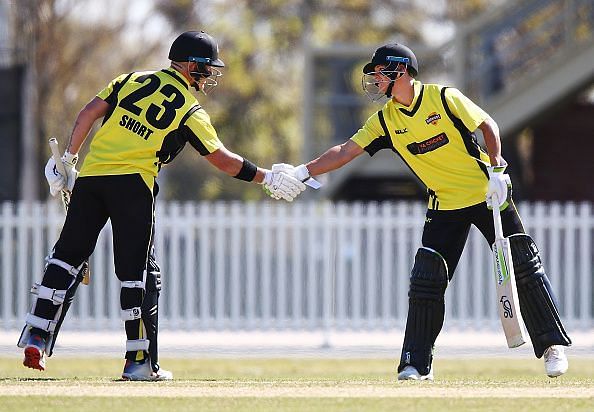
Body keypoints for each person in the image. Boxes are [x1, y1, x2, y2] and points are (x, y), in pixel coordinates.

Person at [18, 30, 306, 381]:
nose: (209, 76)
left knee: (66, 256)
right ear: (190, 65)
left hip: (92, 178)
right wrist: (266, 178)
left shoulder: (130, 79)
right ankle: (138, 362)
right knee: (136, 274)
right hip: (134, 184)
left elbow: (88, 112)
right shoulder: (189, 108)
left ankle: (37, 332)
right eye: (206, 69)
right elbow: (222, 160)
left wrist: (67, 159)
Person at [275, 43, 571, 380]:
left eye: (378, 73)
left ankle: (552, 347)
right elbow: (346, 150)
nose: (373, 79)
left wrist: (497, 168)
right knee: (427, 281)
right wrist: (304, 171)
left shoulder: (444, 98)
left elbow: (488, 125)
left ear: (399, 71)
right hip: (444, 204)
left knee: (524, 267)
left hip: (487, 194)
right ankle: (416, 362)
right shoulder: (385, 121)